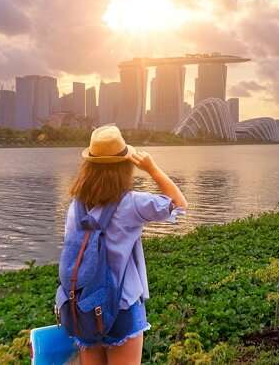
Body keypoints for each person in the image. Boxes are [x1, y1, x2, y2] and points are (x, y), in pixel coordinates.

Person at [63, 125, 187, 365]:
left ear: (88, 166)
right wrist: (152, 169)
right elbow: (179, 205)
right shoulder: (132, 204)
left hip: (84, 307)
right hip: (122, 306)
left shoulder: (75, 208)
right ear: (125, 166)